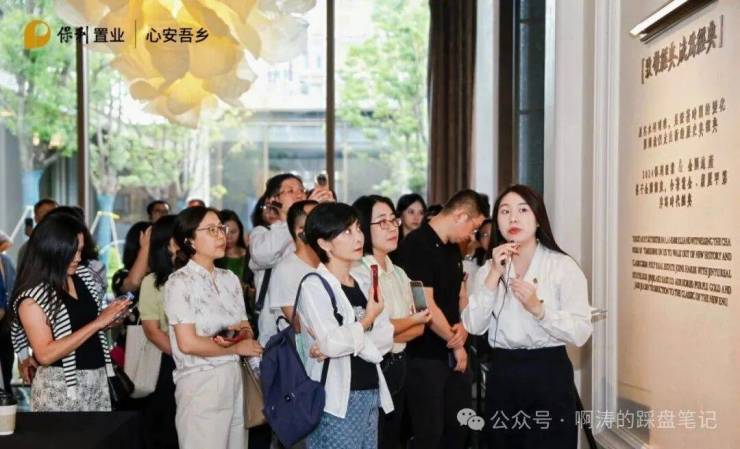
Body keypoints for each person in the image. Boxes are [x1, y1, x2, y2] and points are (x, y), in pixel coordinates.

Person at [461, 185, 592, 449]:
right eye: (505, 211)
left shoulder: (562, 266)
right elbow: (473, 325)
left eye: (523, 210)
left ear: (538, 218)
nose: (513, 218)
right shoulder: (488, 269)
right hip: (504, 373)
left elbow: (581, 331)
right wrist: (492, 277)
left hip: (548, 372)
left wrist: (539, 310)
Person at [394, 189, 488, 449]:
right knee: (429, 434)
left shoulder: (452, 248)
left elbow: (460, 293)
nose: (472, 235)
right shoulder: (416, 245)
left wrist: (465, 327)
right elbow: (423, 303)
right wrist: (455, 343)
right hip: (425, 356)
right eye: (473, 227)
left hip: (456, 354)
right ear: (460, 216)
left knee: (459, 429)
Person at [297, 202, 394, 449]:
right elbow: (331, 343)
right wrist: (367, 321)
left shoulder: (364, 281)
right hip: (336, 399)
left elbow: (386, 338)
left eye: (358, 228)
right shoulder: (314, 285)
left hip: (370, 390)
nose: (358, 237)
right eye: (347, 232)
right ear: (324, 243)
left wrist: (348, 341)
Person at [10, 213, 130, 411]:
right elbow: (45, 354)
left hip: (97, 381)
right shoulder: (32, 298)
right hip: (60, 389)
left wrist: (110, 318)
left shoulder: (83, 277)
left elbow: (85, 325)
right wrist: (98, 323)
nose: (78, 258)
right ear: (53, 250)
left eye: (80, 250)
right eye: (72, 252)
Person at [164, 206, 262, 449]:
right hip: (200, 382)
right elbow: (188, 343)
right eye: (211, 230)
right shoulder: (179, 282)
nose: (221, 235)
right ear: (190, 240)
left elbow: (245, 327)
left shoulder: (230, 279)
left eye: (221, 228)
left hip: (235, 376)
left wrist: (241, 335)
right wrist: (235, 346)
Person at [351, 195, 431, 449]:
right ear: (362, 227)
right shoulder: (358, 272)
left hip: (400, 365)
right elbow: (374, 331)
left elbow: (420, 326)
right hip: (373, 368)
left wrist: (399, 326)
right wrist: (406, 322)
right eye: (382, 222)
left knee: (395, 438)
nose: (392, 227)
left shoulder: (399, 272)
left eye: (393, 220)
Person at [249, 174, 333, 348]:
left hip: (319, 325)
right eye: (290, 190)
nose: (299, 194)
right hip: (277, 332)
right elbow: (262, 255)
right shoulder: (262, 233)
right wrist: (297, 219)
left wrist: (329, 213)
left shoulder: (315, 233)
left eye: (302, 190)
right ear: (273, 200)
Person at [139, 214, 179, 449]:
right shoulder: (153, 282)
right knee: (167, 428)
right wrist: (182, 355)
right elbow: (152, 330)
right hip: (167, 359)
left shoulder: (199, 277)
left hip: (201, 358)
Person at [17, 198, 58, 266]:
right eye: (46, 215)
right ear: (36, 218)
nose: (51, 218)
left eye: (55, 214)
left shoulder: (69, 242)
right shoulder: (27, 249)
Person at [0, 232, 17, 393]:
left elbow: (13, 286)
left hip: (7, 319)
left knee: (7, 356)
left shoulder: (6, 261)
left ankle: (6, 388)